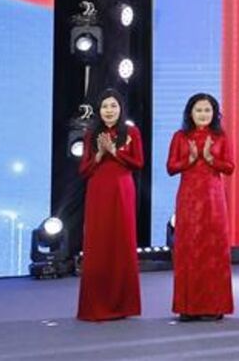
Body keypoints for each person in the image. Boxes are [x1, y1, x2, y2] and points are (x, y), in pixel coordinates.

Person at [167, 93, 235, 321]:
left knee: (213, 250)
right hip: (188, 200)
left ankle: (214, 307)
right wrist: (190, 159)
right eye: (198, 110)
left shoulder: (220, 136)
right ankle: (187, 308)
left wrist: (209, 158)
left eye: (207, 110)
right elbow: (171, 167)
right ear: (190, 113)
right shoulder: (180, 137)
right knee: (187, 250)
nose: (203, 114)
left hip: (213, 200)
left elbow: (230, 167)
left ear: (214, 113)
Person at [76, 88, 143, 321]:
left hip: (123, 190)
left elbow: (138, 162)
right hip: (98, 191)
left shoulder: (131, 132)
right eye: (105, 106)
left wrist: (114, 151)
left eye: (113, 106)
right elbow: (83, 170)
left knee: (122, 242)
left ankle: (122, 304)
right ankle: (97, 304)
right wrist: (98, 155)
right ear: (99, 109)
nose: (109, 110)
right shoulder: (91, 133)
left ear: (121, 109)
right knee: (98, 243)